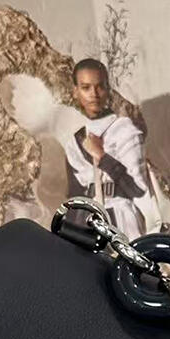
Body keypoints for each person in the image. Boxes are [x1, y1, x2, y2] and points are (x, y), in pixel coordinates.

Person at [64, 58, 154, 237]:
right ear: (75, 91)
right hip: (87, 222)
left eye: (100, 86)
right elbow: (74, 196)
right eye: (86, 87)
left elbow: (137, 188)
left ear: (108, 89)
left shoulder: (125, 130)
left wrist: (101, 156)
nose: (94, 94)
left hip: (122, 219)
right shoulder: (75, 141)